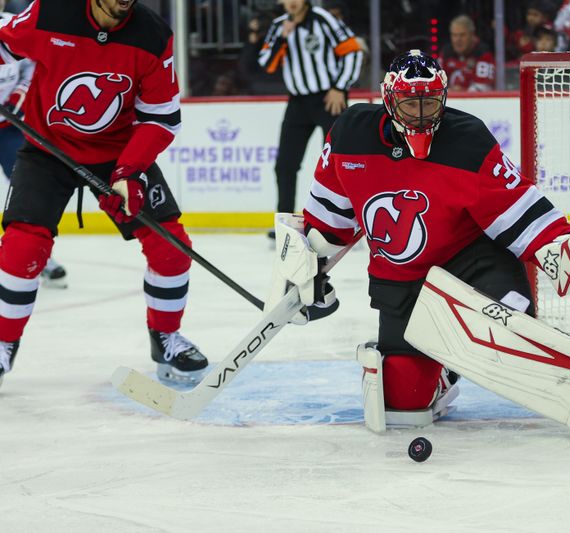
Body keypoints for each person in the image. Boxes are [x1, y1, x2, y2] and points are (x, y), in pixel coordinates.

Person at [268, 50, 570, 441]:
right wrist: (307, 274)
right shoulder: (351, 134)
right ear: (389, 99)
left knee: (501, 334)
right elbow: (328, 222)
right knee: (401, 403)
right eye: (411, 104)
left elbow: (518, 209)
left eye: (431, 103)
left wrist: (561, 254)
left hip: (473, 268)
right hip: (401, 285)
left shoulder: (466, 140)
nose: (422, 115)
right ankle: (444, 368)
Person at [0, 0, 208, 388]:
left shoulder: (152, 34)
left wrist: (129, 172)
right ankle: (3, 341)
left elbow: (161, 116)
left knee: (171, 247)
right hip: (48, 149)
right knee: (22, 248)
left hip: (118, 154)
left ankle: (165, 338)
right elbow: (5, 43)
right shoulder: (50, 13)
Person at [257, 0, 363, 239]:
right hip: (298, 102)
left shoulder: (323, 19)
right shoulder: (278, 26)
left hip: (328, 99)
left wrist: (340, 87)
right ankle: (284, 221)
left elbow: (353, 50)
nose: (291, 2)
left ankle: (347, 221)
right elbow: (267, 63)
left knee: (337, 163)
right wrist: (282, 38)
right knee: (285, 164)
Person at [0, 5, 68, 289]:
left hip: (8, 126)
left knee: (28, 189)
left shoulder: (14, 26)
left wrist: (18, 98)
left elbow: (35, 64)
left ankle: (38, 257)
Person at [439, 14, 496, 92]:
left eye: (462, 35)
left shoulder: (483, 54)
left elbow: (484, 87)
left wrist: (461, 93)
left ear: (472, 35)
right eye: (454, 35)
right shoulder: (446, 53)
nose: (458, 40)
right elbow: (436, 84)